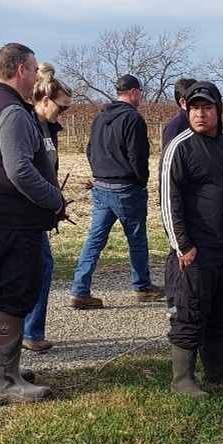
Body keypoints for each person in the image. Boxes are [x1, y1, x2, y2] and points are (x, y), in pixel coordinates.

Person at [0, 43, 63, 404]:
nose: (38, 75)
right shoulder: (11, 110)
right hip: (13, 218)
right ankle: (2, 381)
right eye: (34, 68)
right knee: (14, 292)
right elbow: (19, 169)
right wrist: (53, 198)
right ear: (21, 70)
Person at [161, 81, 223, 400]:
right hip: (194, 250)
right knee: (190, 310)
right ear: (187, 109)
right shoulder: (180, 147)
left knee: (220, 309)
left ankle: (217, 370)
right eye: (194, 108)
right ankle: (182, 379)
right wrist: (182, 245)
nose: (200, 114)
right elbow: (168, 199)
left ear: (218, 110)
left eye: (207, 107)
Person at [68, 73, 162, 309]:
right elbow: (138, 155)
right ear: (132, 92)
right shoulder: (133, 118)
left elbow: (90, 150)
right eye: (140, 91)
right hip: (126, 188)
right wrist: (142, 181)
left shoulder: (100, 116)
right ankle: (142, 286)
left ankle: (80, 289)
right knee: (137, 239)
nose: (141, 96)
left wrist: (99, 173)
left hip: (101, 186)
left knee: (94, 239)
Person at [24, 63, 73, 352]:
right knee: (41, 266)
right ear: (45, 100)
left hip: (43, 208)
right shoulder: (28, 123)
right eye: (62, 107)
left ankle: (31, 330)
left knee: (42, 266)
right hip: (30, 209)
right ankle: (30, 332)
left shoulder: (46, 127)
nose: (63, 114)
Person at [160, 77, 198, 149]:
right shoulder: (176, 126)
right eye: (194, 97)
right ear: (183, 102)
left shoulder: (198, 121)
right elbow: (170, 155)